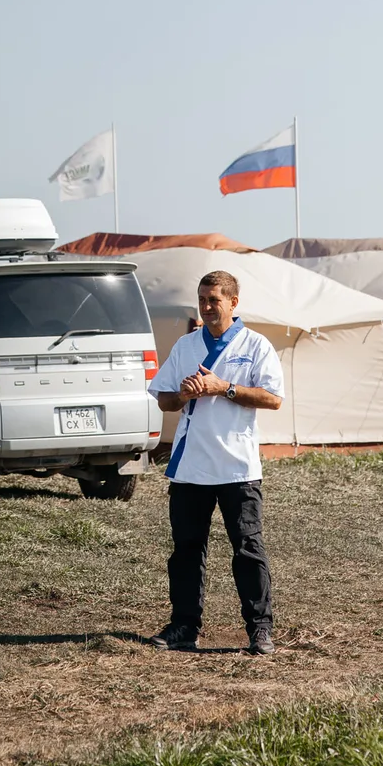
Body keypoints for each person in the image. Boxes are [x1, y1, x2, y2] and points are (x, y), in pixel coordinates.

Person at [147, 270, 284, 655]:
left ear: (233, 303)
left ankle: (260, 629)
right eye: (203, 300)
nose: (207, 308)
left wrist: (223, 387)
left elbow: (273, 399)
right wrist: (185, 393)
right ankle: (184, 626)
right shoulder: (186, 345)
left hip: (237, 466)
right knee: (187, 549)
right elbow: (165, 400)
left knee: (247, 548)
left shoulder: (255, 345)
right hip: (191, 466)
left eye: (215, 301)